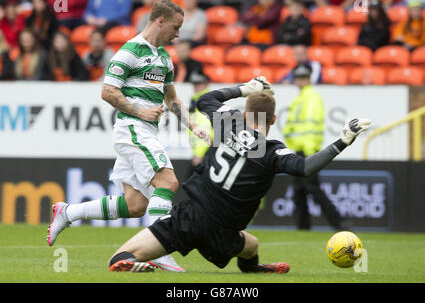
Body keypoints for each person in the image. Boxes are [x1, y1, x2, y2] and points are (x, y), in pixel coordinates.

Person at [106, 76, 371, 273]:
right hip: (224, 233)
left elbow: (204, 100)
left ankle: (130, 263)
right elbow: (306, 168)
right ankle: (253, 269)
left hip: (190, 216)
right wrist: (342, 141)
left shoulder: (227, 123)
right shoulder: (270, 151)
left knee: (120, 257)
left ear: (245, 114)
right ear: (273, 120)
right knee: (251, 244)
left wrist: (244, 88)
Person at [47, 0, 211, 273]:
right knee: (168, 182)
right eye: (176, 26)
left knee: (135, 205)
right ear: (160, 20)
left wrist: (193, 126)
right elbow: (107, 91)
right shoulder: (129, 51)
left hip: (142, 130)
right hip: (132, 128)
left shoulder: (164, 58)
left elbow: (172, 99)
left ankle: (68, 212)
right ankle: (157, 249)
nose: (178, 33)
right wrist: (139, 110)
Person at [283, 63, 343, 230]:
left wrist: (309, 154)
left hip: (307, 152)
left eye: (303, 78)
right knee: (299, 191)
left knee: (313, 190)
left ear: (309, 79)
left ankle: (339, 222)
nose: (300, 81)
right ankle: (303, 226)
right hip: (300, 151)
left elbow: (310, 127)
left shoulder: (310, 98)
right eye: (298, 78)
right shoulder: (303, 98)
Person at [186, 70, 213, 178]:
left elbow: (206, 128)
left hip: (205, 151)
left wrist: (199, 153)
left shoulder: (204, 101)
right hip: (204, 150)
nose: (196, 87)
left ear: (206, 84)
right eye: (194, 84)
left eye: (199, 84)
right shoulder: (196, 101)